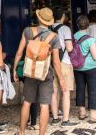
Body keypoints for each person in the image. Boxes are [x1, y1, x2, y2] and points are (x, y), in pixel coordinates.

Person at [13, 7, 66, 135]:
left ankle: (21, 132)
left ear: (38, 18)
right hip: (46, 74)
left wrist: (15, 69)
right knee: (44, 105)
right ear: (49, 21)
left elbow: (19, 52)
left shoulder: (28, 31)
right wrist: (61, 79)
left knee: (27, 102)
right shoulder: (54, 37)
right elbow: (56, 61)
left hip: (30, 72)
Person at [50, 7, 77, 126]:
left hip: (51, 63)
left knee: (54, 91)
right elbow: (69, 47)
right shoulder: (65, 28)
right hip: (64, 62)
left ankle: (55, 117)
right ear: (62, 17)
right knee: (66, 91)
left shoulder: (48, 28)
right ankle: (65, 120)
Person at [74, 15, 96, 123]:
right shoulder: (89, 39)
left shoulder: (73, 37)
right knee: (92, 90)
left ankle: (82, 112)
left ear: (77, 25)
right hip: (90, 68)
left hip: (77, 67)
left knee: (80, 89)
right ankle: (93, 115)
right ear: (87, 26)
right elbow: (95, 56)